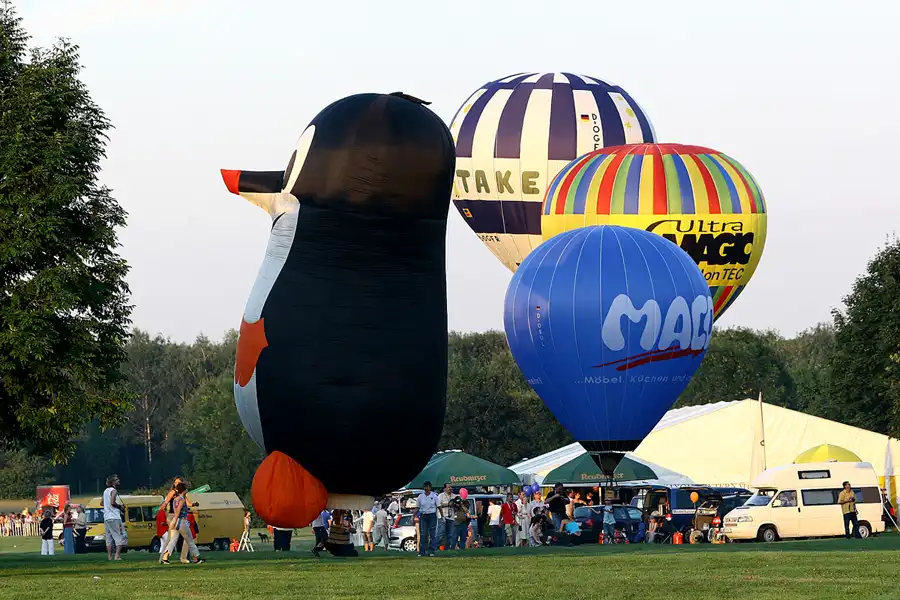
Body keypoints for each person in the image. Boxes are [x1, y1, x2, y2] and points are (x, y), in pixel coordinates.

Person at [161, 482, 204, 564]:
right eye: (186, 489)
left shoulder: (175, 499)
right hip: (181, 522)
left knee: (173, 540)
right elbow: (178, 511)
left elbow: (180, 510)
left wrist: (173, 522)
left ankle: (165, 558)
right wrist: (175, 521)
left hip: (176, 521)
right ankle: (196, 558)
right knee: (190, 540)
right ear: (184, 490)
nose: (187, 490)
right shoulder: (182, 500)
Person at [100, 474, 127, 561]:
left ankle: (109, 557)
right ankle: (117, 556)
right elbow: (112, 502)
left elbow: (101, 503)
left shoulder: (105, 491)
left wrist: (107, 506)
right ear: (113, 482)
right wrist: (120, 507)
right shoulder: (114, 491)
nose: (118, 480)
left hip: (106, 517)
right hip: (114, 517)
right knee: (119, 537)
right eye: (117, 479)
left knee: (108, 539)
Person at [415, 481, 439, 557]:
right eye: (425, 487)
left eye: (427, 487)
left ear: (430, 487)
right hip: (423, 515)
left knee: (432, 534)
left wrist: (441, 516)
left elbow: (439, 506)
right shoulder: (420, 496)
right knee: (423, 534)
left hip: (432, 515)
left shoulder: (434, 495)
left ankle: (432, 550)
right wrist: (414, 515)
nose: (426, 488)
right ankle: (422, 551)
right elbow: (417, 507)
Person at [437, 483, 458, 550]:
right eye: (449, 487)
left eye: (451, 487)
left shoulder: (454, 496)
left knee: (450, 534)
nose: (450, 488)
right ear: (445, 489)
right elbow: (438, 505)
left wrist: (456, 505)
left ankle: (448, 549)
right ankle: (436, 548)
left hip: (451, 517)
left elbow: (457, 506)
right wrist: (448, 504)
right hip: (442, 516)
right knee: (441, 533)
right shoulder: (441, 495)